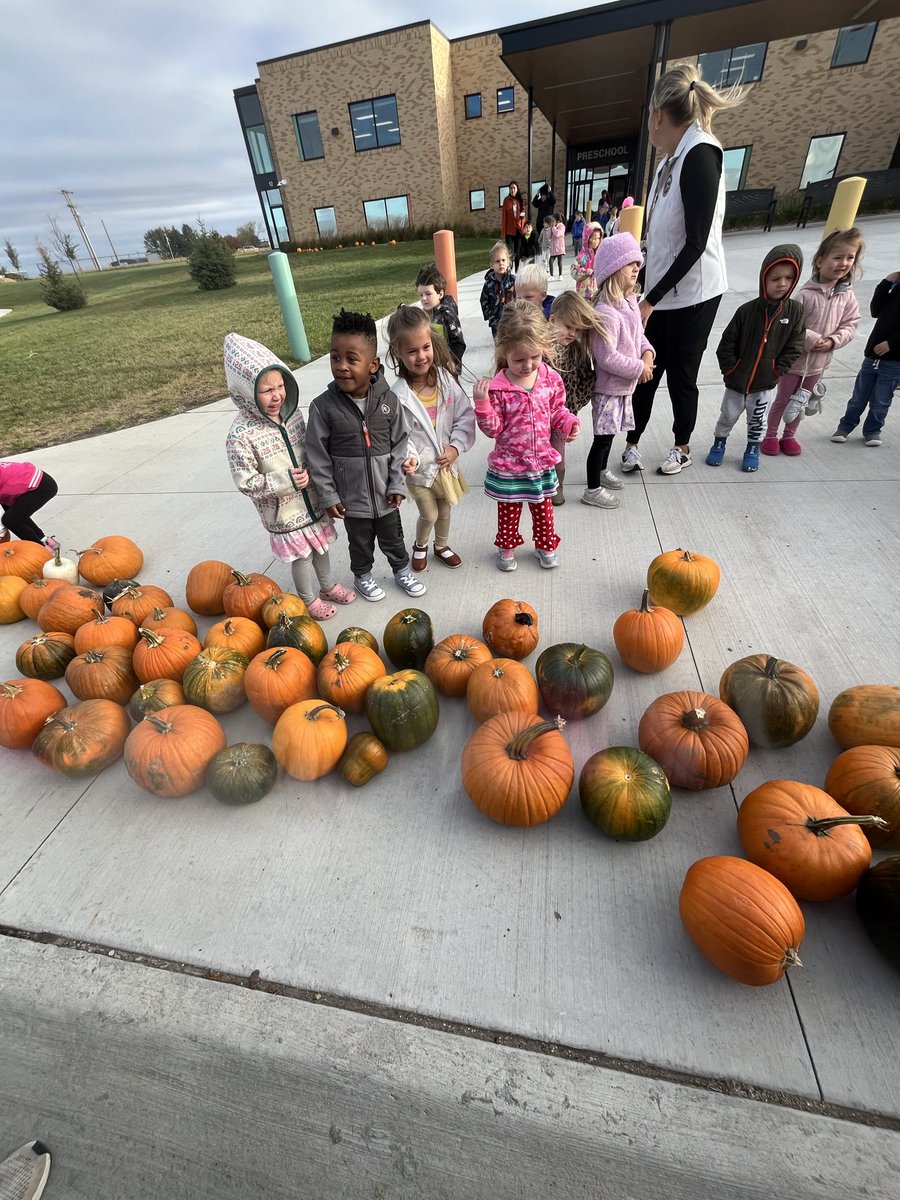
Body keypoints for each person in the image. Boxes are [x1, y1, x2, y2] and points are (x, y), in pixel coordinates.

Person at [622, 63, 742, 477]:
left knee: (681, 375)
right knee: (645, 371)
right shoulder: (666, 163)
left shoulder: (701, 154)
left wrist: (649, 301)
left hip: (695, 294)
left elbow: (695, 243)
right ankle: (632, 443)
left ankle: (681, 445)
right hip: (659, 290)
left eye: (648, 118)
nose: (649, 128)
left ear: (658, 114)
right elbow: (658, 236)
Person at [224, 333, 357, 620]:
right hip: (284, 512)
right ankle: (307, 600)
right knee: (303, 556)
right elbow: (246, 482)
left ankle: (327, 586)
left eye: (280, 386)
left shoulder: (293, 414)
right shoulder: (240, 436)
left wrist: (315, 473)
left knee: (322, 548)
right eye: (266, 391)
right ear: (246, 392)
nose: (276, 396)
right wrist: (284, 481)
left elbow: (310, 449)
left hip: (312, 500)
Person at [305, 309, 425, 602]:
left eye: (351, 359)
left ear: (373, 365)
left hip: (386, 495)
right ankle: (362, 576)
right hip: (351, 500)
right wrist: (329, 495)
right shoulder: (323, 407)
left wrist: (397, 484)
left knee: (393, 538)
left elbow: (399, 446)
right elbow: (317, 456)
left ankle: (400, 569)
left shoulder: (389, 401)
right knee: (359, 543)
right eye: (335, 357)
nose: (342, 366)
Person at [473, 301, 580, 571]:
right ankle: (506, 548)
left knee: (543, 510)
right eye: (519, 359)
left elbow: (557, 411)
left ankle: (545, 546)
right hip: (510, 464)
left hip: (540, 461)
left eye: (535, 357)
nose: (528, 365)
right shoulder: (498, 389)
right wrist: (482, 404)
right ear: (504, 352)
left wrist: (568, 423)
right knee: (509, 511)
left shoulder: (550, 380)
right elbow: (493, 429)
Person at [385, 305, 475, 572]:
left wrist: (456, 447)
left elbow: (465, 417)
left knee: (445, 510)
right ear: (398, 353)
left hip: (445, 464)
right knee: (430, 513)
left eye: (425, 347)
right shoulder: (398, 394)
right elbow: (398, 433)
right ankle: (421, 545)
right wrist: (409, 457)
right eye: (412, 351)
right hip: (419, 469)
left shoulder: (446, 381)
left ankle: (442, 546)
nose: (421, 356)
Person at [705, 246, 806, 473]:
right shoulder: (746, 311)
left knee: (757, 420)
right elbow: (727, 342)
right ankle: (719, 443)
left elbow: (795, 346)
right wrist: (731, 369)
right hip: (736, 381)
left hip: (765, 383)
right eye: (775, 278)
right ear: (764, 278)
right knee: (728, 415)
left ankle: (752, 448)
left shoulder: (795, 312)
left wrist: (777, 370)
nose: (781, 283)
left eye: (788, 278)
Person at [762, 228, 863, 455]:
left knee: (803, 401)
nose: (843, 263)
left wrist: (833, 341)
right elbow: (790, 324)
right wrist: (813, 338)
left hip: (819, 363)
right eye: (837, 257)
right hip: (794, 362)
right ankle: (770, 435)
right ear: (819, 261)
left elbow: (851, 323)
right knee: (784, 399)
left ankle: (789, 436)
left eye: (850, 258)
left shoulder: (847, 295)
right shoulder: (805, 295)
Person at [584, 233, 655, 508]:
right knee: (601, 440)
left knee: (611, 436)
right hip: (608, 391)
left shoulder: (629, 304)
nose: (637, 268)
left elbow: (640, 338)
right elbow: (607, 357)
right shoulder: (606, 312)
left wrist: (648, 353)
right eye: (630, 264)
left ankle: (601, 473)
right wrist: (640, 368)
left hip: (623, 388)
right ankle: (592, 489)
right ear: (612, 270)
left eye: (638, 262)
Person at [548, 290, 608, 504]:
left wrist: (572, 408)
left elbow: (585, 380)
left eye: (577, 329)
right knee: (536, 449)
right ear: (553, 320)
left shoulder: (577, 352)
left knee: (557, 450)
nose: (572, 333)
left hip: (562, 415)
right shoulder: (540, 349)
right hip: (537, 414)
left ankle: (557, 487)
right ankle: (535, 482)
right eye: (568, 326)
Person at [832, 266, 900, 447]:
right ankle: (845, 426)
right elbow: (875, 311)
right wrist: (885, 284)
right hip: (872, 355)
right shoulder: (895, 287)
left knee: (881, 400)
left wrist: (892, 344)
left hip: (894, 360)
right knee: (858, 396)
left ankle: (872, 430)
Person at [416, 262, 467, 372]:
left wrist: (453, 361)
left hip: (449, 367)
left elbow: (459, 343)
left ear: (440, 294)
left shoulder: (447, 315)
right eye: (421, 295)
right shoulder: (423, 315)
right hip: (431, 366)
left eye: (428, 294)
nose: (424, 298)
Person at [0, 461, 59, 549]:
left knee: (10, 520)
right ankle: (44, 540)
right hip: (35, 482)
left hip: (40, 486)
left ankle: (42, 551)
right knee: (13, 512)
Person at [480, 241, 516, 339]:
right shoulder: (488, 284)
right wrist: (489, 315)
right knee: (500, 346)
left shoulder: (513, 281)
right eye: (497, 261)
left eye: (503, 260)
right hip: (496, 322)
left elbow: (519, 297)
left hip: (512, 321)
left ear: (508, 262)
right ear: (492, 265)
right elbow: (484, 299)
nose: (501, 263)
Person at [571, 223, 603, 300]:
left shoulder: (601, 254)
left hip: (598, 293)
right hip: (584, 293)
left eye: (598, 238)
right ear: (587, 239)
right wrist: (584, 272)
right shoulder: (581, 256)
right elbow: (573, 271)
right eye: (594, 238)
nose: (596, 241)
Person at [501, 180, 526, 270]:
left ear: (517, 189)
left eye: (514, 188)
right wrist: (503, 234)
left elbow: (523, 216)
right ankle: (510, 271)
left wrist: (523, 229)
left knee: (518, 252)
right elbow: (504, 217)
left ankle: (517, 270)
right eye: (511, 188)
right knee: (510, 252)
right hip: (509, 230)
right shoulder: (506, 201)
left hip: (518, 229)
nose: (512, 190)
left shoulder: (520, 200)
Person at [549, 213, 566, 278]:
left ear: (557, 220)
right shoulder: (553, 227)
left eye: (553, 221)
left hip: (559, 247)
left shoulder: (561, 226)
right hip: (553, 247)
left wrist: (553, 228)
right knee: (550, 261)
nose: (552, 222)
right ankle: (551, 275)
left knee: (559, 261)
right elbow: (549, 237)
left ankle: (560, 275)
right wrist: (550, 229)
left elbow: (557, 234)